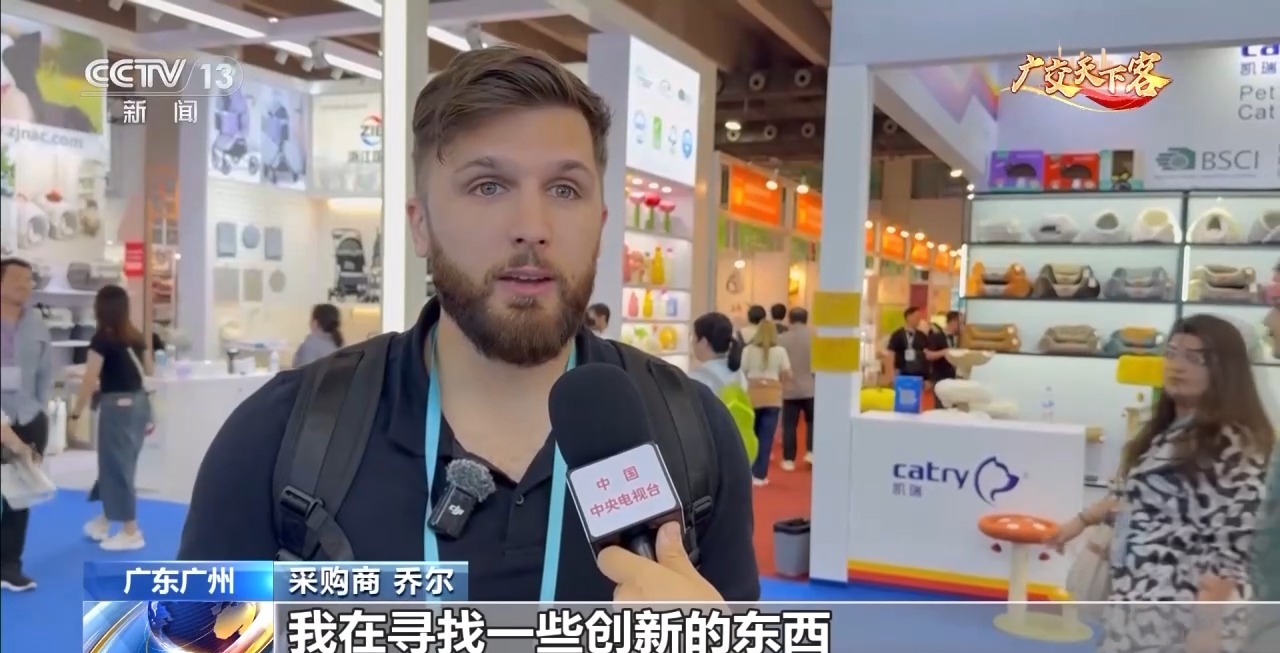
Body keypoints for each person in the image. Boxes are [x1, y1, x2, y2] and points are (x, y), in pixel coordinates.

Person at [179, 46, 758, 603]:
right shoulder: (278, 437)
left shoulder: (693, 434)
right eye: (488, 186)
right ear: (420, 224)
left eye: (564, 189)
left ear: (602, 225)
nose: (532, 227)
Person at [1046, 314, 1273, 653]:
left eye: (1195, 358)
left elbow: (1231, 543)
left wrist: (1206, 630)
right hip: (1139, 606)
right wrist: (1082, 521)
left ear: (1224, 370)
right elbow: (1149, 507)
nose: (1177, 366)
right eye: (1172, 353)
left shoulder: (1231, 441)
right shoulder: (1171, 431)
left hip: (1181, 615)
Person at [70, 285, 153, 552]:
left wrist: (75, 413)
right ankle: (106, 518)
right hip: (139, 405)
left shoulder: (102, 340)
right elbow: (148, 371)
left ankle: (130, 530)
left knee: (117, 465)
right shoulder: (136, 337)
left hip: (117, 408)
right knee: (118, 462)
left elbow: (89, 379)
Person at [0, 257, 53, 591]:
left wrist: (40, 409)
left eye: (29, 279)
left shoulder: (35, 322)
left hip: (28, 417)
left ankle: (9, 566)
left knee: (19, 497)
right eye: (17, 278)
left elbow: (46, 370)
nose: (25, 285)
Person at [740, 321, 790, 486]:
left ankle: (748, 470)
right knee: (766, 438)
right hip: (772, 396)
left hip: (752, 394)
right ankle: (760, 475)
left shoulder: (748, 350)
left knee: (750, 435)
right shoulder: (781, 351)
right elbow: (787, 372)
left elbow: (743, 370)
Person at [777, 307, 813, 470]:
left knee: (790, 425)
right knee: (812, 422)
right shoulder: (815, 338)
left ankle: (789, 459)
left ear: (790, 319)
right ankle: (811, 452)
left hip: (789, 388)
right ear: (806, 319)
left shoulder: (782, 339)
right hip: (811, 387)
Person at [688, 312, 746, 394]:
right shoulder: (738, 373)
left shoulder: (696, 378)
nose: (692, 343)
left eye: (693, 337)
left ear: (703, 342)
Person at [883, 307, 928, 378]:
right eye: (916, 317)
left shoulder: (922, 336)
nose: (919, 319)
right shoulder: (897, 334)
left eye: (919, 317)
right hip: (900, 371)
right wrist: (891, 373)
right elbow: (891, 354)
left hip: (918, 373)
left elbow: (926, 354)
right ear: (908, 317)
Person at [924, 311, 962, 391]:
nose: (962, 326)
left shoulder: (960, 338)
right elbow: (929, 355)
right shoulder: (936, 337)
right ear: (953, 322)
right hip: (939, 378)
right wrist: (945, 352)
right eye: (960, 323)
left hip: (955, 378)